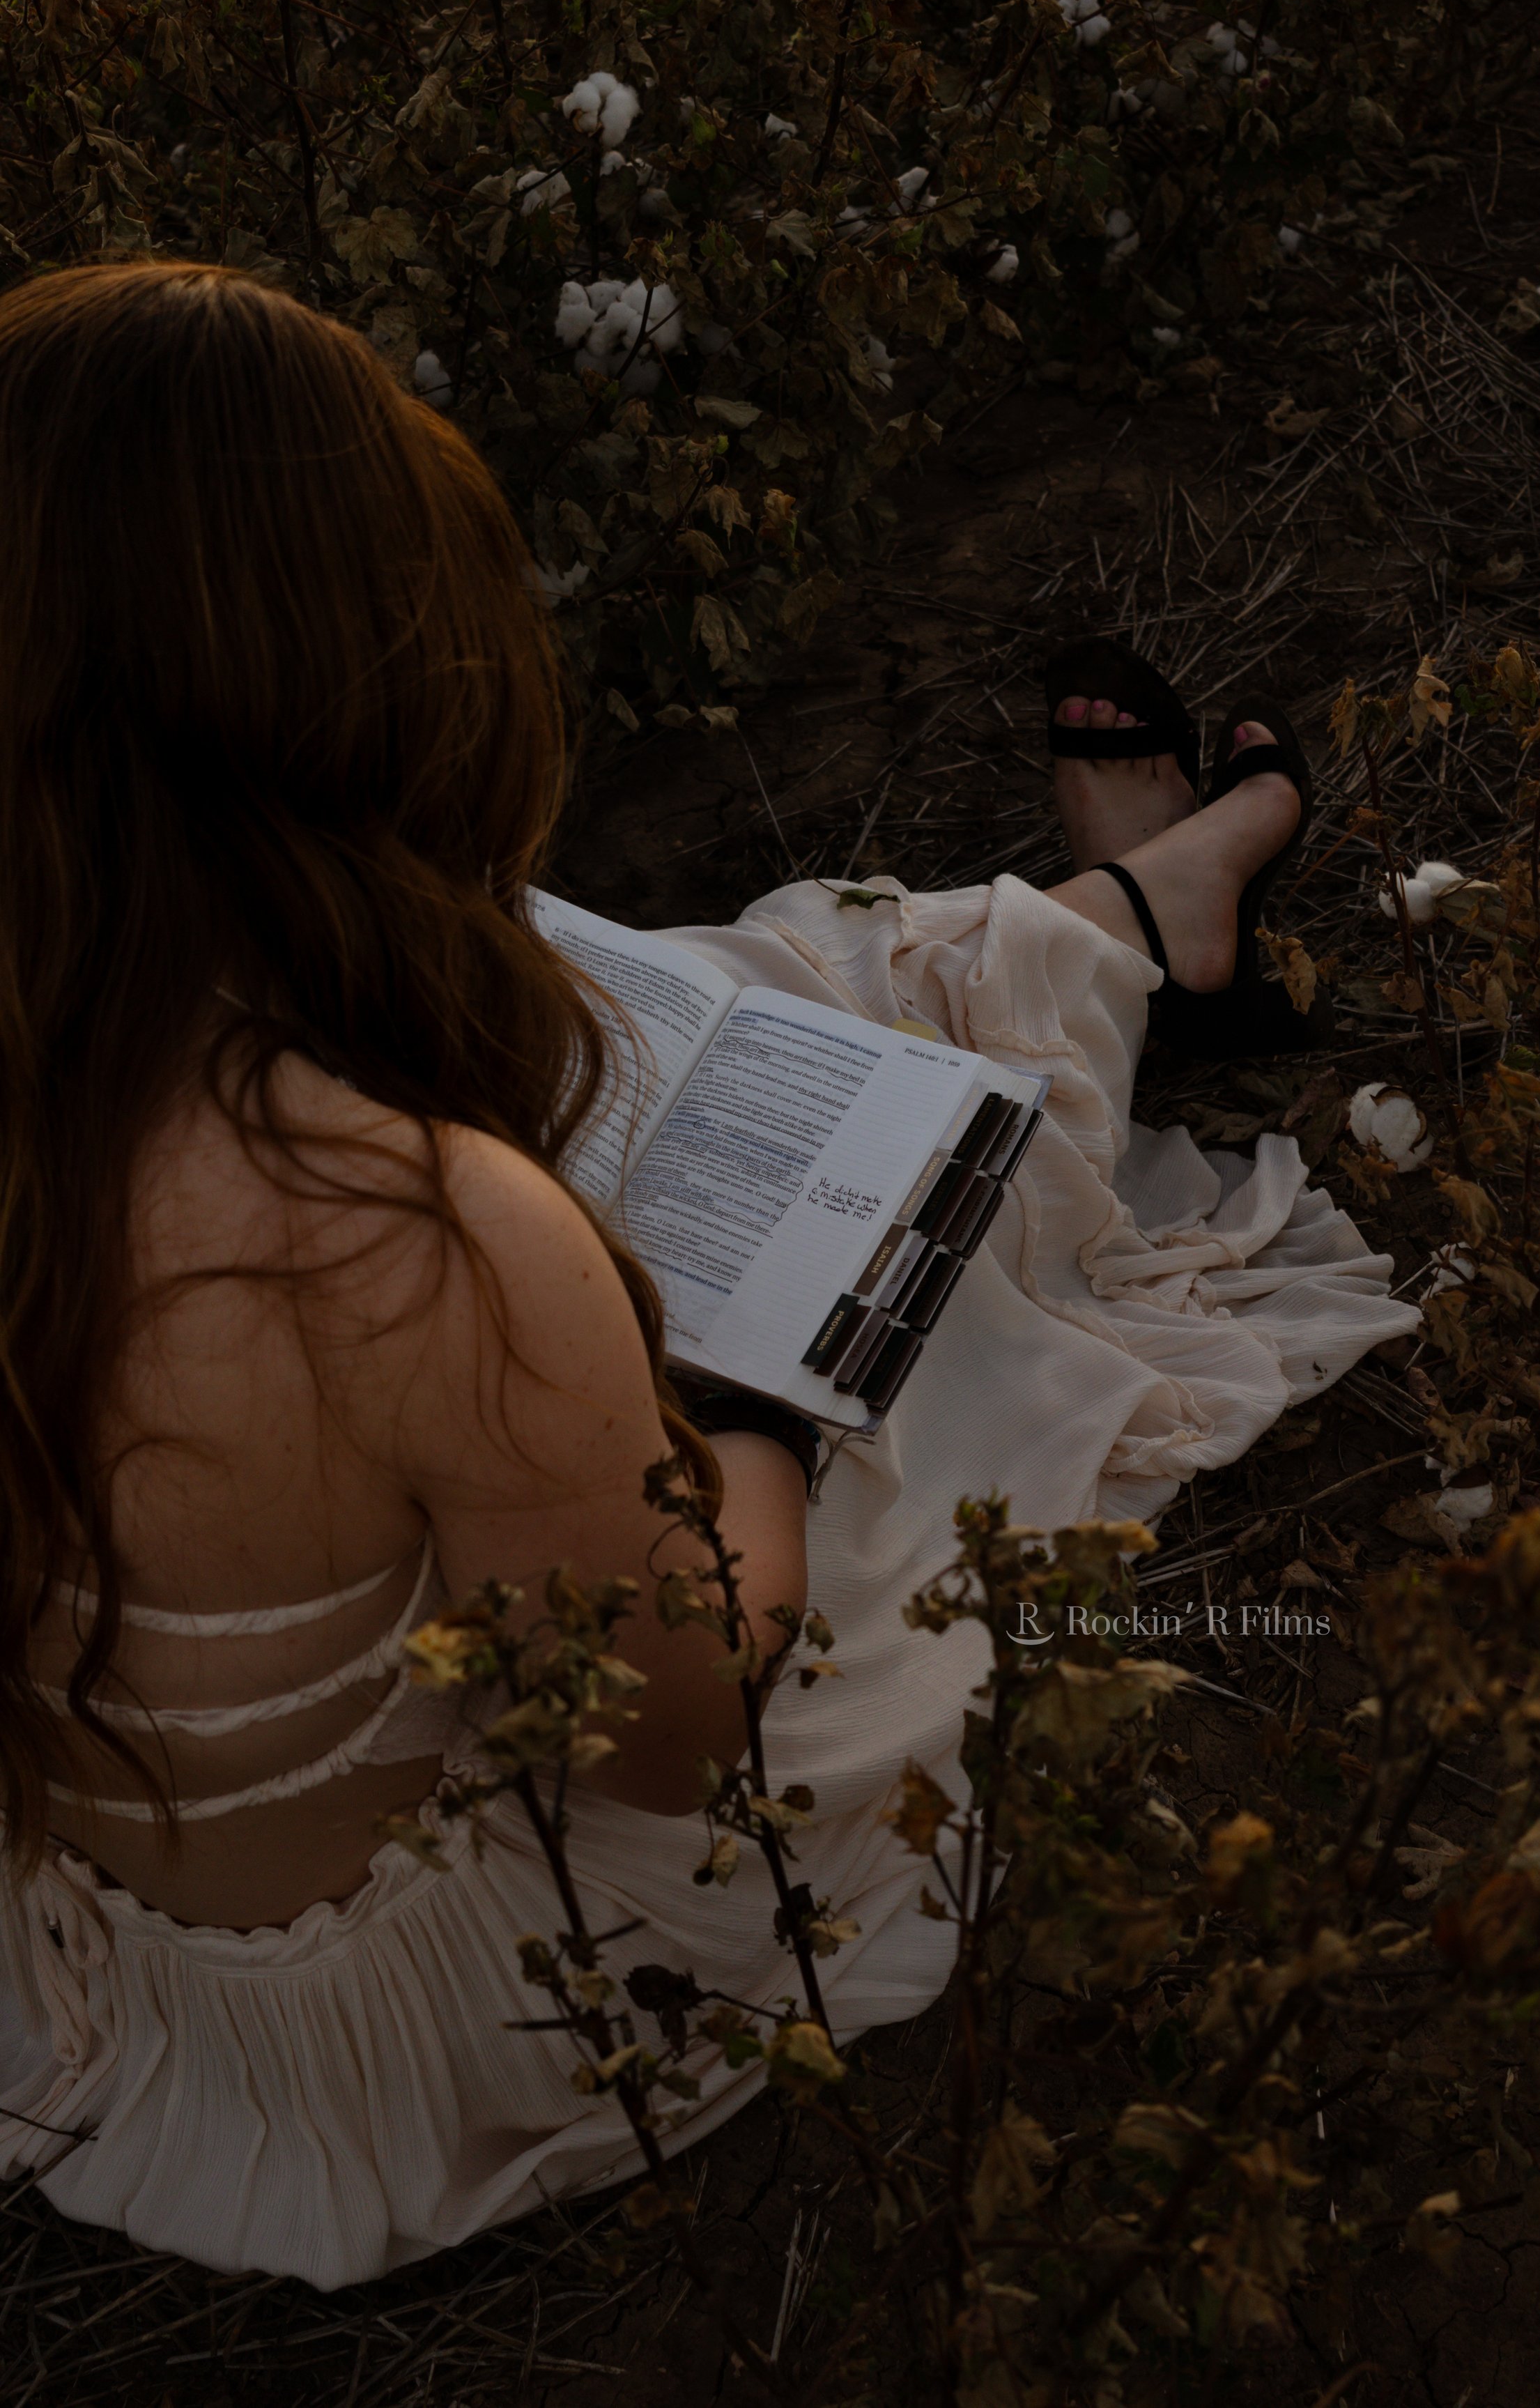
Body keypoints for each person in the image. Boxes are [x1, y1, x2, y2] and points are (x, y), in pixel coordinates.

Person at [0, 263, 1413, 2288]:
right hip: (431, 2011)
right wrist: (740, 1406)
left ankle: (1125, 909)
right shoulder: (397, 1238)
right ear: (390, 678)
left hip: (118, 1878)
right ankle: (1138, 916)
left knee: (732, 1004)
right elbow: (657, 1734)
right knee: (902, 1218)